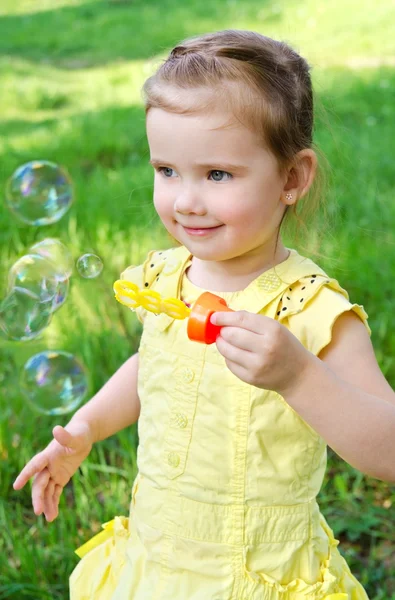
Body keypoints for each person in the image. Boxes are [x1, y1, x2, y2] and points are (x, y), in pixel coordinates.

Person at [13, 29, 395, 600]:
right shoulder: (168, 277)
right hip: (160, 562)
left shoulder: (312, 308)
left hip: (257, 573)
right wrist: (87, 428)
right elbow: (156, 364)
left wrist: (298, 376)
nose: (186, 199)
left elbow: (387, 451)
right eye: (166, 170)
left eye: (217, 174)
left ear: (292, 178)